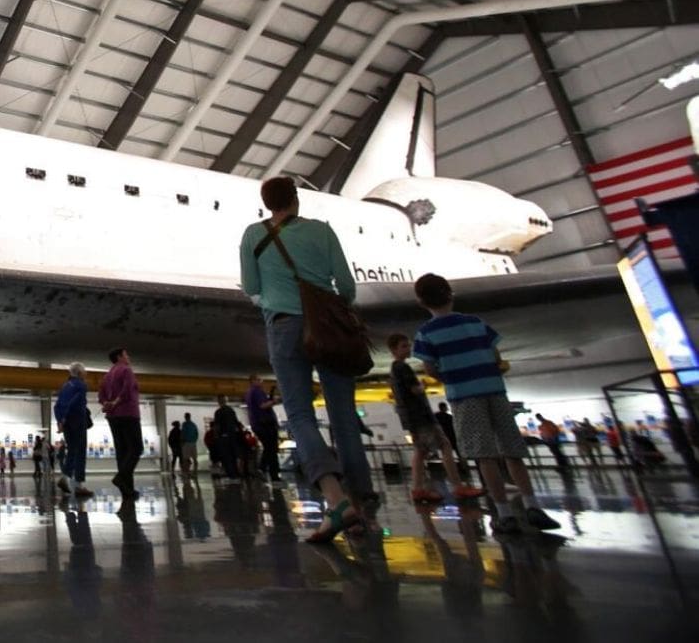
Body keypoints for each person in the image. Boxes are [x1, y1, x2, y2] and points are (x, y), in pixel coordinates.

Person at [238, 176, 369, 543]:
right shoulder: (322, 232)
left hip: (282, 327)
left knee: (299, 415)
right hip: (328, 326)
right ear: (296, 200)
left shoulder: (253, 235)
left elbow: (251, 288)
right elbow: (346, 286)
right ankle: (361, 506)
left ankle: (335, 499)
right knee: (344, 416)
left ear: (267, 204)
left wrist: (273, 300)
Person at [412, 273, 559, 534]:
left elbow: (430, 368)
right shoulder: (476, 322)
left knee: (485, 456)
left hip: (464, 396)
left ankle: (503, 514)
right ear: (450, 293)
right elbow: (496, 356)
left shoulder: (426, 333)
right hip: (494, 390)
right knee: (513, 451)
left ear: (421, 302)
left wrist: (451, 376)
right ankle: (533, 506)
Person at [386, 333, 482, 504]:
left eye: (408, 345)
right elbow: (414, 390)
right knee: (444, 445)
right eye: (403, 346)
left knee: (421, 451)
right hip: (421, 416)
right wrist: (424, 385)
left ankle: (418, 489)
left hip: (410, 417)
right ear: (393, 350)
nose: (408, 349)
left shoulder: (393, 370)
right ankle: (457, 486)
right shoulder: (402, 368)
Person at [99, 348, 142, 499]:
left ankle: (127, 491)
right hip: (128, 413)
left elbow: (101, 396)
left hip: (113, 417)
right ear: (119, 357)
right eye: (126, 354)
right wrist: (117, 401)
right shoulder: (126, 370)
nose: (128, 357)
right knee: (136, 448)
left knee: (122, 452)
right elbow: (128, 389)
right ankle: (120, 477)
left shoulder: (107, 376)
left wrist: (107, 404)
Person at [54, 363, 92, 497]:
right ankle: (76, 484)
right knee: (80, 452)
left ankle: (67, 479)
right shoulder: (81, 385)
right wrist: (65, 417)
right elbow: (75, 402)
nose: (86, 373)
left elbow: (57, 405)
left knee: (72, 450)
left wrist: (60, 421)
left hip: (66, 424)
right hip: (77, 421)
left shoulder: (65, 386)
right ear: (80, 373)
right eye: (85, 371)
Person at [242, 375, 281, 481]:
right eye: (259, 380)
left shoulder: (248, 393)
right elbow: (263, 405)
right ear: (253, 381)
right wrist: (274, 401)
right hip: (266, 424)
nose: (261, 382)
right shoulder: (257, 391)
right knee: (272, 449)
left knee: (269, 448)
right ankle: (271, 473)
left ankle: (263, 469)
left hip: (258, 424)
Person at [211, 396, 242, 480]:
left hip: (224, 436)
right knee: (234, 455)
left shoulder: (218, 412)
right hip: (232, 435)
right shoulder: (231, 410)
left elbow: (217, 425)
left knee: (226, 456)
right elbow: (236, 422)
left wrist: (216, 436)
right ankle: (236, 473)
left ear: (219, 401)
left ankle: (231, 475)